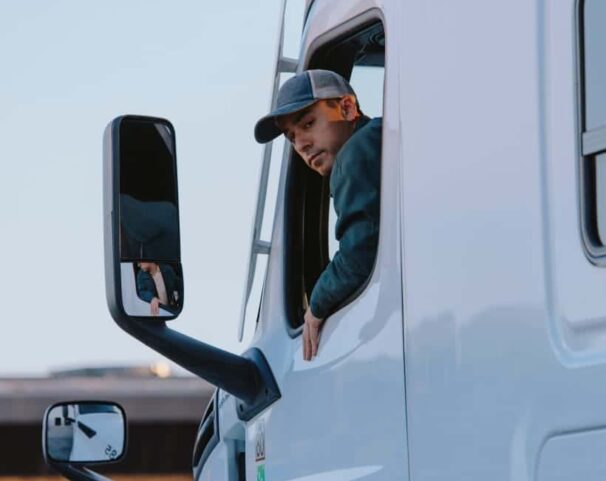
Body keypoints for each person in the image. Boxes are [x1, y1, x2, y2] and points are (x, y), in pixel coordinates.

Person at [255, 69, 381, 361]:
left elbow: (358, 255)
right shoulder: (378, 138)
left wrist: (317, 305)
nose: (301, 144)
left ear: (347, 108)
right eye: (292, 138)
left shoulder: (355, 154)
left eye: (309, 123)